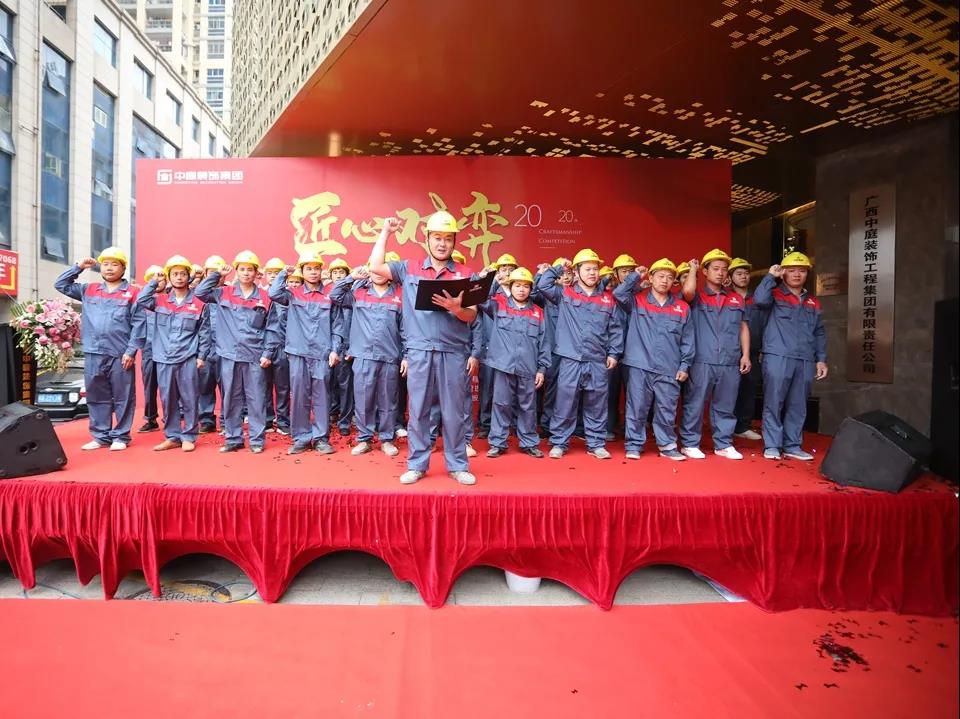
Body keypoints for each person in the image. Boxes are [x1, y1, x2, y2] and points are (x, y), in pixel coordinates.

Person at [367, 211, 479, 486]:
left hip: (453, 351)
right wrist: (386, 232)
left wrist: (457, 309)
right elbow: (376, 266)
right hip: (419, 350)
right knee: (418, 410)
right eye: (437, 238)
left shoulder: (467, 274)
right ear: (427, 239)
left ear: (454, 242)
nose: (442, 244)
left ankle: (457, 465)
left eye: (448, 239)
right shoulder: (409, 268)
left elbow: (472, 315)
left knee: (454, 411)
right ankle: (417, 464)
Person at [536, 249, 624, 459]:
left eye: (595, 269)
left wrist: (614, 353)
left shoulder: (607, 300)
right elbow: (543, 285)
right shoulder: (565, 294)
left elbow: (615, 329)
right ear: (576, 272)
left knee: (597, 403)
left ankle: (596, 443)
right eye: (587, 269)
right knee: (565, 402)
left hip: (597, 360)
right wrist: (560, 267)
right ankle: (559, 442)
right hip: (571, 359)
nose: (592, 273)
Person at [54, 247, 142, 451]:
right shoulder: (89, 289)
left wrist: (131, 351)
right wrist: (78, 267)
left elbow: (139, 324)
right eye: (105, 264)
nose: (109, 268)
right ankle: (101, 436)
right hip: (94, 352)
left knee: (123, 396)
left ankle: (120, 436)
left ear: (123, 268)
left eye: (114, 264)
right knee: (96, 395)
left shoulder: (133, 293)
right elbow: (61, 284)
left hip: (120, 353)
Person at [195, 251, 280, 454]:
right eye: (242, 269)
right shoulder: (224, 293)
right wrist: (218, 275)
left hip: (255, 355)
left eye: (250, 269)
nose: (246, 273)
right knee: (231, 399)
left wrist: (268, 353)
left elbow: (273, 328)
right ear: (236, 271)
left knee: (256, 399)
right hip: (229, 355)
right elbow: (200, 292)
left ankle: (257, 440)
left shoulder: (266, 297)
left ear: (256, 272)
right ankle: (233, 438)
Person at [613, 258, 694, 460]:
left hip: (669, 366)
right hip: (639, 364)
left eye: (669, 277)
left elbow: (688, 340)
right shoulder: (637, 301)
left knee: (667, 408)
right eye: (660, 276)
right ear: (651, 277)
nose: (664, 280)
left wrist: (685, 365)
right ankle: (634, 445)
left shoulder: (682, 307)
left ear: (674, 281)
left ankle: (667, 446)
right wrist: (635, 276)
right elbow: (619, 293)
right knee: (637, 407)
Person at [751, 252, 828, 461]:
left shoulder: (813, 302)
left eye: (801, 271)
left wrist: (821, 358)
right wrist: (770, 276)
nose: (796, 274)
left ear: (807, 274)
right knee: (774, 401)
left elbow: (819, 331)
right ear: (784, 273)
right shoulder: (774, 294)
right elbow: (759, 300)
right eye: (791, 270)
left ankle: (792, 445)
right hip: (778, 355)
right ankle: (772, 445)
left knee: (798, 404)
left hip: (805, 358)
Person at [268, 251, 344, 455]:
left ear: (321, 271)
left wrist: (335, 349)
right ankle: (301, 438)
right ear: (302, 271)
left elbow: (337, 325)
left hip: (322, 354)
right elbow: (273, 293)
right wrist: (284, 274)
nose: (313, 272)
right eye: (308, 268)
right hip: (298, 353)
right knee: (299, 396)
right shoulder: (292, 294)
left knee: (322, 398)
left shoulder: (330, 295)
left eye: (316, 268)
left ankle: (321, 439)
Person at [679, 249, 751, 460]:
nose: (720, 273)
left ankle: (723, 444)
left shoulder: (736, 299)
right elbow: (687, 292)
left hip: (729, 359)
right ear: (705, 271)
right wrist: (693, 269)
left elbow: (743, 327)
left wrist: (745, 355)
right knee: (695, 402)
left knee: (726, 404)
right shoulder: (697, 297)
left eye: (724, 269)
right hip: (702, 359)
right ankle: (690, 443)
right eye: (715, 269)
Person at [135, 255, 211, 453]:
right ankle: (173, 436)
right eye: (175, 274)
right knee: (168, 399)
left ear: (188, 276)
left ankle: (189, 436)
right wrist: (154, 282)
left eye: (182, 274)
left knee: (189, 398)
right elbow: (141, 300)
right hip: (163, 358)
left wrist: (201, 356)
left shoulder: (198, 303)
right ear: (169, 277)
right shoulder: (159, 301)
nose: (179, 277)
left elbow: (204, 332)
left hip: (187, 358)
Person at [330, 264, 404, 457]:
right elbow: (335, 295)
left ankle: (387, 439)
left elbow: (405, 329)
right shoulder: (358, 293)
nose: (378, 274)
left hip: (389, 356)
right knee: (363, 400)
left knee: (388, 400)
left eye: (382, 271)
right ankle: (364, 439)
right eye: (374, 270)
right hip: (363, 356)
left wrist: (406, 356)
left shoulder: (400, 295)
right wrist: (351, 278)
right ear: (369, 273)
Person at [478, 267, 550, 458]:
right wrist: (494, 280)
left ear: (531, 289)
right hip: (504, 365)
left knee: (528, 407)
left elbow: (544, 343)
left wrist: (542, 369)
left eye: (526, 286)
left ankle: (529, 442)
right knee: (501, 404)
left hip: (528, 367)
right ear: (510, 286)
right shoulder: (499, 305)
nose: (521, 290)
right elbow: (481, 298)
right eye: (517, 285)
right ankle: (497, 443)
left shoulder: (538, 313)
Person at [476, 253, 518, 440]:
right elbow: (479, 298)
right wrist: (491, 281)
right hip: (490, 348)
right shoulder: (492, 292)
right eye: (503, 269)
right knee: (487, 389)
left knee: (513, 390)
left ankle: (512, 424)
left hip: (513, 351)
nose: (507, 273)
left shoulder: (520, 292)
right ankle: (485, 424)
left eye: (511, 269)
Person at [728, 257, 767, 441]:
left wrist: (762, 349)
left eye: (746, 273)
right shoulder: (726, 296)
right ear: (730, 277)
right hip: (729, 349)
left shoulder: (757, 298)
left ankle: (743, 426)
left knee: (749, 388)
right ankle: (726, 426)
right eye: (739, 273)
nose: (743, 277)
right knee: (727, 390)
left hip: (752, 350)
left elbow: (766, 324)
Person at [537, 257, 572, 437]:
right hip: (552, 351)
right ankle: (546, 425)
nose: (566, 277)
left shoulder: (576, 295)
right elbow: (538, 288)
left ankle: (567, 426)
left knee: (569, 391)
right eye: (562, 274)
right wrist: (546, 272)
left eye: (569, 273)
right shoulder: (550, 296)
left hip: (571, 352)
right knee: (551, 389)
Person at [261, 257, 290, 435]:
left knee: (283, 387)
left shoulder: (288, 295)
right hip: (262, 347)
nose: (273, 276)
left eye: (277, 273)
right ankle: (267, 420)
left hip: (282, 347)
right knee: (263, 386)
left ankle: (283, 420)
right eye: (270, 273)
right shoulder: (258, 294)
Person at [327, 257, 355, 436]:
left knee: (345, 386)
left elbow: (353, 324)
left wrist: (350, 347)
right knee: (327, 384)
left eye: (341, 272)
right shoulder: (324, 293)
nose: (338, 275)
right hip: (323, 345)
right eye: (335, 272)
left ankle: (345, 420)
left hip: (344, 345)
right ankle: (330, 414)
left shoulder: (350, 295)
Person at [197, 254, 225, 434]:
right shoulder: (197, 295)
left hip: (225, 349)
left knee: (229, 388)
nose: (216, 275)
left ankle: (227, 421)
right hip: (205, 349)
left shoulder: (229, 293)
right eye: (211, 272)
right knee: (204, 387)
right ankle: (206, 420)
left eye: (218, 272)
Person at [137, 264, 163, 434]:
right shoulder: (142, 301)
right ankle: (150, 419)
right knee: (149, 387)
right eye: (154, 279)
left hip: (168, 351)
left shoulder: (171, 299)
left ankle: (174, 418)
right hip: (149, 350)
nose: (158, 281)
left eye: (161, 278)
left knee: (172, 388)